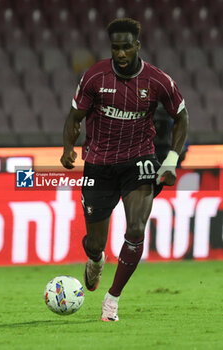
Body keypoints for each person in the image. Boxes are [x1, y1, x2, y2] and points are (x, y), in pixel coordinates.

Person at [60, 18, 189, 322]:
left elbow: (182, 117)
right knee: (94, 243)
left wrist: (170, 159)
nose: (120, 53)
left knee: (135, 230)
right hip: (99, 164)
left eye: (126, 47)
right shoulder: (94, 77)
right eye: (115, 48)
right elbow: (74, 116)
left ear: (137, 46)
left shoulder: (158, 81)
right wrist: (68, 147)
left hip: (139, 161)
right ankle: (95, 259)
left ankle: (112, 299)